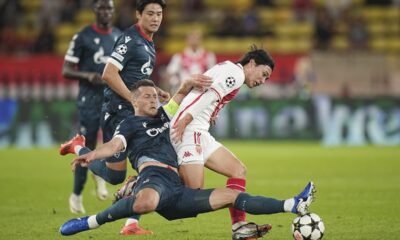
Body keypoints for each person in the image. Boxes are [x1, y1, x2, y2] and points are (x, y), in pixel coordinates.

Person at [59, 79, 316, 239]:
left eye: (154, 96)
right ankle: (90, 222)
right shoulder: (129, 123)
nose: (153, 100)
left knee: (231, 196)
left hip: (178, 188)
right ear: (134, 100)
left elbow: (180, 96)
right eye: (146, 96)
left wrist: (190, 85)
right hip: (154, 178)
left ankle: (293, 205)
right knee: (145, 201)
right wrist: (93, 152)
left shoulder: (163, 116)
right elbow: (115, 145)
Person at [61, 0, 168, 235]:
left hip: (133, 111)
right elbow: (108, 73)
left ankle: (131, 224)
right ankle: (79, 148)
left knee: (146, 162)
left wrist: (154, 89)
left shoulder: (148, 42)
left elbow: (135, 76)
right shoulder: (130, 40)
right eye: (150, 13)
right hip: (118, 112)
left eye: (159, 14)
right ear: (138, 15)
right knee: (115, 176)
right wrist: (132, 98)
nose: (155, 18)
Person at [169, 45, 275, 237]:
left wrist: (213, 111)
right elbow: (208, 95)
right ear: (252, 63)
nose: (263, 80)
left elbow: (206, 90)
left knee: (238, 170)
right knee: (193, 196)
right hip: (190, 127)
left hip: (199, 129)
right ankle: (142, 182)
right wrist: (185, 119)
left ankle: (239, 227)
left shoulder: (228, 67)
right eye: (264, 74)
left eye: (266, 78)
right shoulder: (236, 75)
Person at [60, 0, 121, 215]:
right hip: (89, 101)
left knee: (111, 144)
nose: (105, 12)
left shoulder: (119, 36)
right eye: (101, 8)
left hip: (111, 100)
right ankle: (76, 194)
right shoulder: (83, 36)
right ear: (94, 11)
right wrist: (86, 75)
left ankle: (100, 176)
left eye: (109, 8)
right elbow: (66, 69)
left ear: (113, 12)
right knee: (85, 145)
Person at [165, 29, 216, 93]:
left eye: (197, 38)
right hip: (184, 90)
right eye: (192, 38)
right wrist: (175, 81)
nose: (194, 41)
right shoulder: (179, 56)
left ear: (201, 40)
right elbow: (170, 73)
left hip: (202, 91)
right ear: (187, 40)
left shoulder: (209, 56)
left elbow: (214, 74)